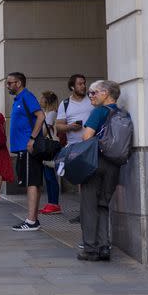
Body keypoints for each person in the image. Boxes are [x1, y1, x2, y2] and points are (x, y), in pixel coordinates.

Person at [78, 80, 124, 262]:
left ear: (105, 93)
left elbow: (87, 136)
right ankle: (104, 246)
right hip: (114, 165)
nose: (90, 96)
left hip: (96, 162)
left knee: (89, 206)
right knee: (103, 204)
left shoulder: (99, 112)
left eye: (93, 93)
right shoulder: (122, 113)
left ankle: (90, 248)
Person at [7, 72, 46, 231]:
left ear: (19, 83)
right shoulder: (18, 99)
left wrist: (32, 138)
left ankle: (31, 220)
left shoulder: (26, 96)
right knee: (32, 182)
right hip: (24, 147)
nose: (8, 86)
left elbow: (41, 116)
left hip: (28, 147)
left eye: (10, 83)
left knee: (31, 183)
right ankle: (33, 219)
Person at [55, 74, 94, 225]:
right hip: (75, 148)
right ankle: (83, 212)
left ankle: (88, 212)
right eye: (79, 84)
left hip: (91, 145)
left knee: (90, 180)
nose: (83, 86)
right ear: (72, 87)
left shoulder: (92, 100)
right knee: (81, 182)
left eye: (84, 83)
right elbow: (58, 125)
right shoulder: (65, 104)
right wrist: (70, 127)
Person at [38, 91, 61, 215]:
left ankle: (55, 203)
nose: (40, 100)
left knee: (51, 177)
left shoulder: (51, 114)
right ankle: (51, 202)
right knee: (48, 176)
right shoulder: (47, 113)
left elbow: (44, 132)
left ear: (47, 101)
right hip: (48, 147)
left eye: (42, 98)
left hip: (51, 147)